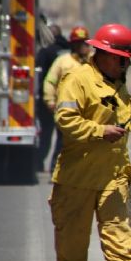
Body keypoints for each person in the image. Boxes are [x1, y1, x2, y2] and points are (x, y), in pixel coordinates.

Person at [49, 23, 131, 261]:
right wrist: (100, 131)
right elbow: (65, 119)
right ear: (101, 54)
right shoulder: (78, 80)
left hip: (112, 173)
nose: (124, 65)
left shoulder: (119, 84)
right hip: (77, 175)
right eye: (119, 59)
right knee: (73, 234)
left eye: (127, 61)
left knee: (117, 226)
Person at [42, 26, 92, 172]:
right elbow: (50, 81)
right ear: (73, 45)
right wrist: (49, 100)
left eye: (86, 43)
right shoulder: (62, 61)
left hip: (88, 110)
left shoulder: (94, 61)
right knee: (63, 141)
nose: (84, 46)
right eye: (80, 43)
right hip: (66, 110)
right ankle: (56, 169)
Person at [35, 24, 69, 172]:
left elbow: (42, 77)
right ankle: (55, 166)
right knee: (62, 138)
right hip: (68, 102)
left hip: (48, 103)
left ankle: (38, 163)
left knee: (46, 135)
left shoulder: (46, 52)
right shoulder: (71, 54)